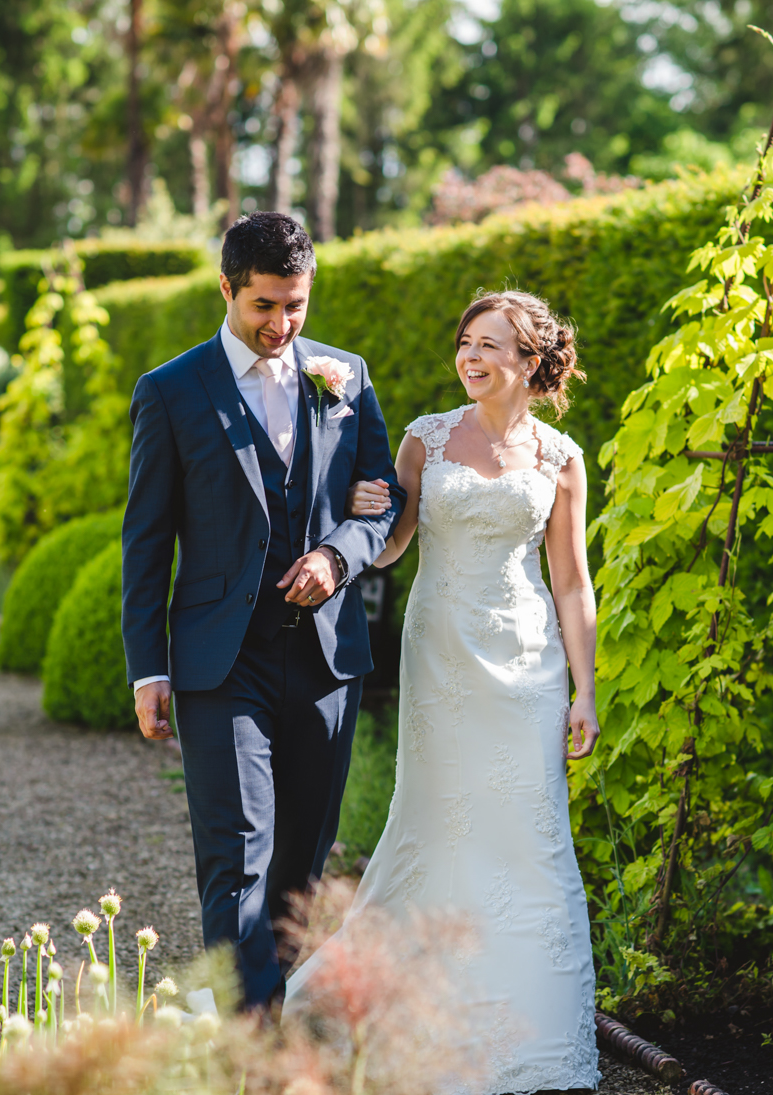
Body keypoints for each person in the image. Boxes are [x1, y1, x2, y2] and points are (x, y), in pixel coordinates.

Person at [286, 289, 602, 1094]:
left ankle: (528, 1018)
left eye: (490, 344)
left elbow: (571, 583)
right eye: (465, 341)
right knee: (439, 815)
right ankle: (412, 1000)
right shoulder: (425, 440)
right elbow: (391, 546)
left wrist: (584, 690)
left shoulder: (562, 458)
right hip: (441, 655)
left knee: (527, 829)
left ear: (530, 361)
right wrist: (358, 510)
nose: (471, 356)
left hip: (528, 661)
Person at [121, 212, 406, 1010]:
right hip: (221, 659)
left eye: (296, 306)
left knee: (302, 866)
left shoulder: (346, 376)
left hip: (324, 658)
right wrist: (148, 665)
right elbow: (145, 540)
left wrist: (338, 555)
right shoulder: (171, 391)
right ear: (226, 288)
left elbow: (382, 504)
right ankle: (254, 1042)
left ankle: (263, 1003)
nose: (281, 325)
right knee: (238, 852)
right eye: (264, 306)